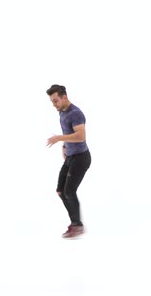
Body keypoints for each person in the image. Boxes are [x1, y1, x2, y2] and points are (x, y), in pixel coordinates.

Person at [46, 84, 92, 238]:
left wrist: (59, 138)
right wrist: (65, 146)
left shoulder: (76, 113)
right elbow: (69, 131)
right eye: (52, 102)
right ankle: (75, 223)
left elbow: (81, 136)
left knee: (69, 191)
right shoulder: (62, 112)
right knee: (61, 191)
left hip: (81, 158)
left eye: (56, 101)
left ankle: (77, 225)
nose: (54, 105)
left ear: (64, 97)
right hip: (71, 157)